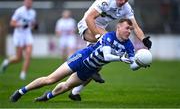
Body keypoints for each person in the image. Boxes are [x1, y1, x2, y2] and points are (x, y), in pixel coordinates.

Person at [10, 19, 148, 102]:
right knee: (50, 79)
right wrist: (120, 58)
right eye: (126, 28)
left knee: (66, 87)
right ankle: (21, 91)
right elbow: (106, 56)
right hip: (81, 59)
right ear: (118, 27)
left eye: (130, 29)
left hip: (90, 69)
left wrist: (140, 63)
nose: (129, 31)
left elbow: (132, 65)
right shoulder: (108, 37)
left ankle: (46, 98)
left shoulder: (129, 45)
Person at [70, 0, 152, 101]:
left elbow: (135, 27)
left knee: (97, 65)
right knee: (107, 45)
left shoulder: (126, 8)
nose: (123, 1)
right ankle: (83, 71)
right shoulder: (106, 1)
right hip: (87, 25)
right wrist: (99, 36)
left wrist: (144, 39)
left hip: (101, 30)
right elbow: (89, 18)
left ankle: (75, 92)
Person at [0, 0, 38, 80]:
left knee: (28, 54)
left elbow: (32, 23)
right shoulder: (19, 11)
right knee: (18, 58)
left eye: (30, 2)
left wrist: (34, 25)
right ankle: (7, 62)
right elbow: (12, 23)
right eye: (27, 2)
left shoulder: (33, 12)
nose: (29, 4)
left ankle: (23, 74)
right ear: (24, 2)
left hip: (28, 35)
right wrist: (21, 25)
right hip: (19, 35)